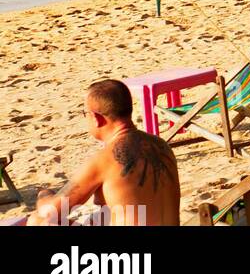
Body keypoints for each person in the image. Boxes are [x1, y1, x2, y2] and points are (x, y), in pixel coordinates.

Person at [28, 80, 179, 226]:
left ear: (96, 118)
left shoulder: (105, 159)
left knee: (38, 221)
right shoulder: (161, 145)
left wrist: (44, 194)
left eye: (84, 113)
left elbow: (49, 212)